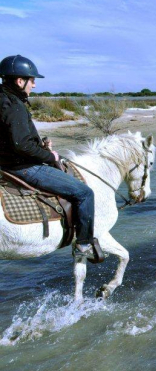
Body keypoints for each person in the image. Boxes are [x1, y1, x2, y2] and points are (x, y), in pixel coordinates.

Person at [0, 55, 100, 259]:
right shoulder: (14, 105)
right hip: (22, 167)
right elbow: (21, 144)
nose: (34, 85)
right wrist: (49, 155)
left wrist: (40, 145)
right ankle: (83, 245)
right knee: (85, 193)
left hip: (4, 164)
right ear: (20, 81)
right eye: (32, 80)